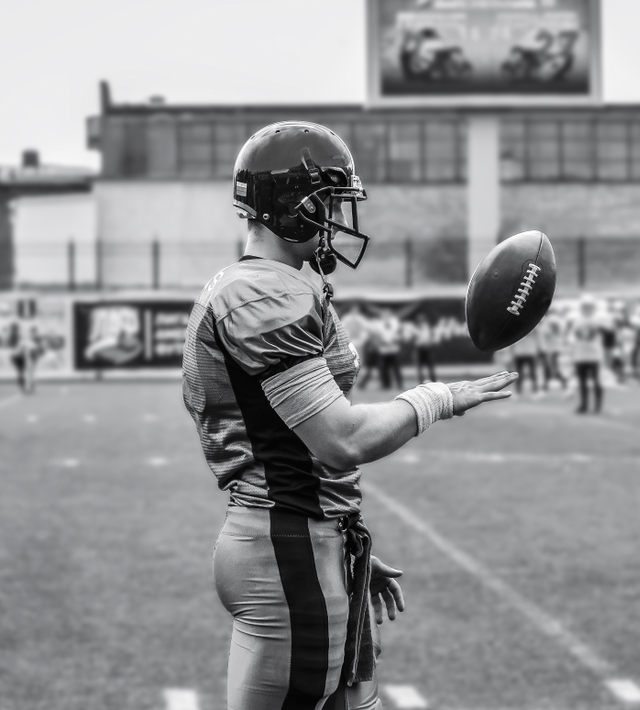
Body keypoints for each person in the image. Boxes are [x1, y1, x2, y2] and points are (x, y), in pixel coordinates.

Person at [181, 121, 517, 710]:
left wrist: (338, 541)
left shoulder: (279, 284)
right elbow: (340, 438)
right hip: (284, 549)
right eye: (327, 198)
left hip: (310, 541)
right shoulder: (260, 294)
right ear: (289, 204)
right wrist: (436, 398)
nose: (338, 214)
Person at [568, 294, 605, 414]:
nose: (587, 308)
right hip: (581, 354)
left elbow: (592, 334)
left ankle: (597, 406)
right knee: (582, 381)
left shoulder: (597, 320)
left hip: (594, 354)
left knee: (596, 380)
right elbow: (575, 336)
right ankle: (584, 405)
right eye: (585, 306)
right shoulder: (578, 320)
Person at [411, 312, 437, 383]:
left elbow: (430, 336)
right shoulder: (414, 328)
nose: (421, 320)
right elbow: (413, 339)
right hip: (419, 349)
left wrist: (429, 342)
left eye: (422, 319)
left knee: (430, 366)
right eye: (419, 319)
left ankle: (434, 381)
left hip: (427, 348)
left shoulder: (426, 326)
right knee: (419, 367)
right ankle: (421, 382)